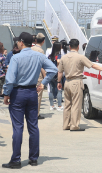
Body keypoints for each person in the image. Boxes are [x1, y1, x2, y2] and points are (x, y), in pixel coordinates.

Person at [2, 32, 58, 169]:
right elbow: (53, 69)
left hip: (18, 93)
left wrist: (6, 94)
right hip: (32, 92)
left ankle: (16, 160)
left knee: (18, 128)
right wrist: (43, 83)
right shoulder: (39, 56)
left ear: (21, 42)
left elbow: (10, 79)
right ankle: (33, 158)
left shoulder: (16, 58)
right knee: (33, 127)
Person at [57, 39, 102, 131]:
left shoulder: (64, 57)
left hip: (67, 82)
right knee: (76, 104)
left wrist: (59, 82)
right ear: (78, 47)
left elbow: (59, 72)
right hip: (76, 82)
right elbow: (92, 65)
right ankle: (74, 125)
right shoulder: (80, 57)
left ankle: (66, 125)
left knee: (67, 105)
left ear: (70, 47)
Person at [31, 33, 47, 119]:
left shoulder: (31, 48)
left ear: (36, 40)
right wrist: (45, 76)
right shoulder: (41, 51)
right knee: (38, 95)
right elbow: (41, 65)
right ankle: (36, 114)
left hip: (30, 74)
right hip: (38, 75)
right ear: (43, 41)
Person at [48, 42, 63, 111]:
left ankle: (52, 105)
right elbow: (59, 62)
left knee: (51, 90)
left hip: (50, 74)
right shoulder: (58, 55)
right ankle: (59, 106)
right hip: (57, 74)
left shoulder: (50, 56)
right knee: (59, 90)